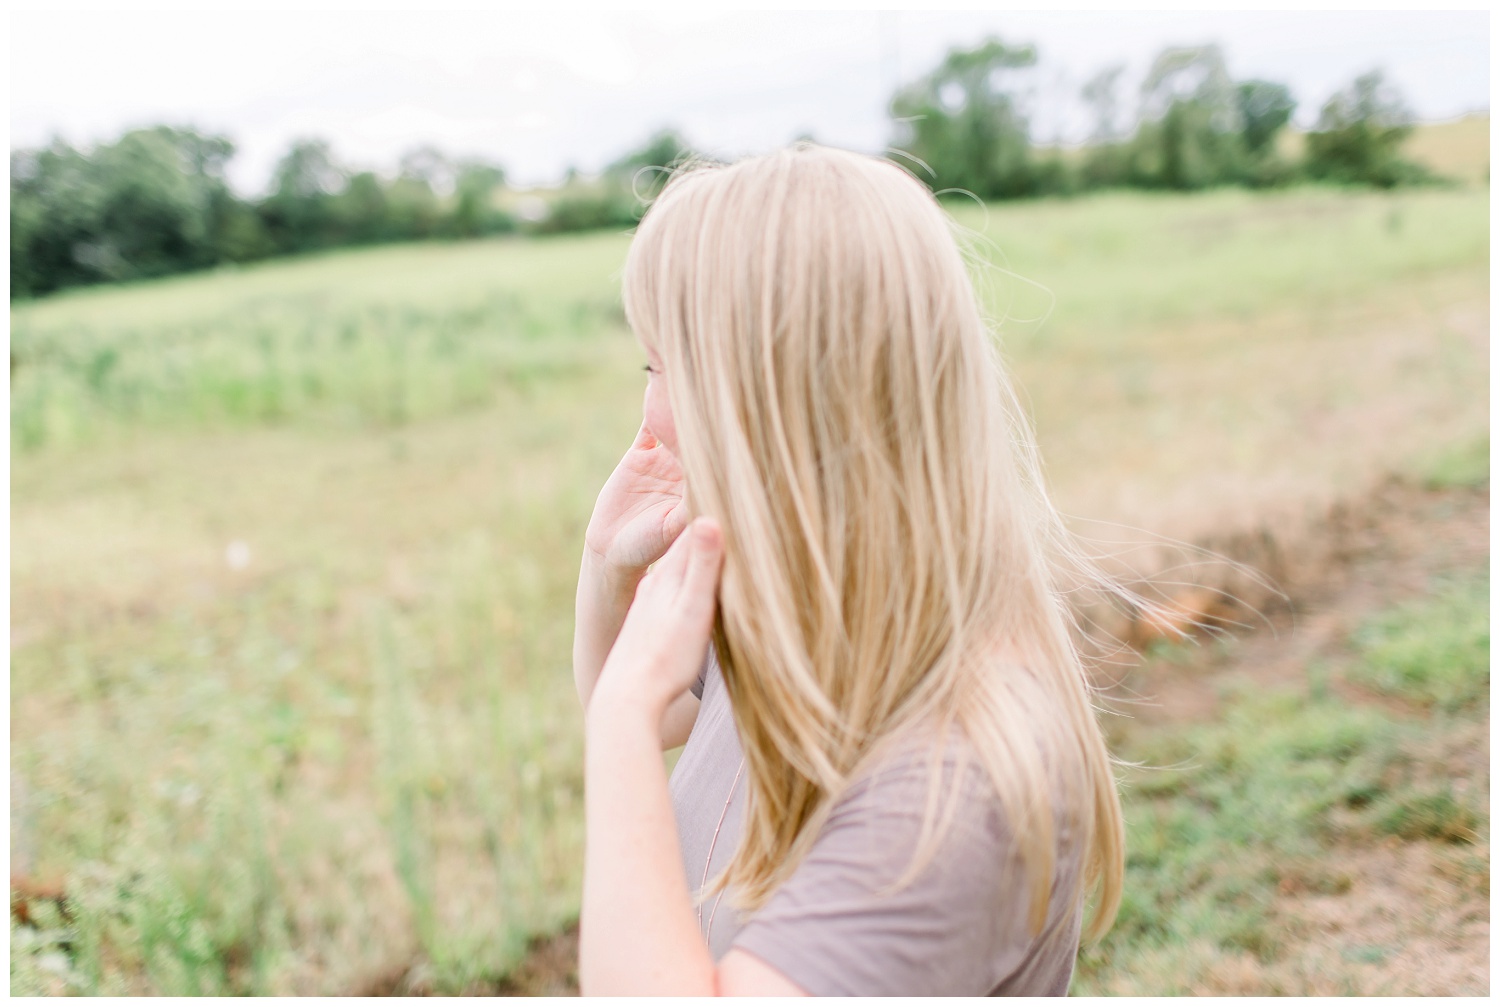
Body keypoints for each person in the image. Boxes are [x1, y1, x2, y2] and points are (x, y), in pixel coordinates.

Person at [572, 144, 1125, 996]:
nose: (648, 415)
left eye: (662, 367)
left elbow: (631, 724)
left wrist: (615, 720)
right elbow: (672, 720)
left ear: (769, 401)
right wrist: (608, 570)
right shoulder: (817, 615)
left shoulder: (952, 786)